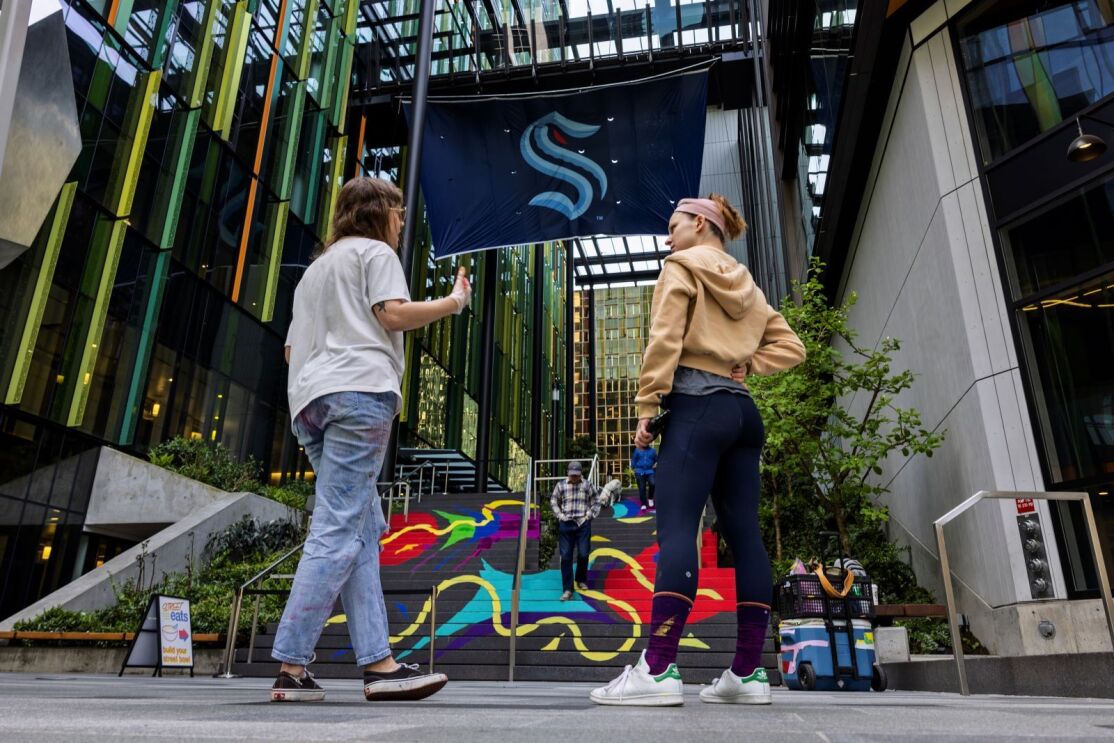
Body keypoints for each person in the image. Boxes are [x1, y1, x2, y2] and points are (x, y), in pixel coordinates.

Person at [590, 194, 805, 707]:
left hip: (696, 408)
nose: (668, 238)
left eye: (673, 226)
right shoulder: (747, 284)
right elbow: (793, 346)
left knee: (678, 529)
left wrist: (646, 404)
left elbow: (664, 337)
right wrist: (749, 365)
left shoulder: (680, 267)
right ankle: (749, 674)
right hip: (742, 414)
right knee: (746, 536)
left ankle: (659, 668)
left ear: (701, 225)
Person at [270, 176, 472, 703]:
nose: (402, 223)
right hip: (360, 394)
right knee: (338, 529)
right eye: (399, 212)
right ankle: (293, 663)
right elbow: (392, 315)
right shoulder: (375, 254)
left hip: (310, 404)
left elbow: (292, 352)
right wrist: (453, 302)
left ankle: (376, 663)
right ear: (378, 212)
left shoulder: (314, 272)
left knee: (360, 528)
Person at [551, 461, 606, 601]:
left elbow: (597, 500)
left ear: (580, 473)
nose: (574, 477)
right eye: (572, 475)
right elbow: (553, 501)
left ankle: (581, 579)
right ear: (568, 473)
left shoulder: (587, 484)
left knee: (583, 553)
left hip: (583, 523)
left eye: (576, 475)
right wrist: (560, 515)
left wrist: (590, 515)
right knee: (566, 556)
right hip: (566, 523)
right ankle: (568, 589)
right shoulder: (561, 485)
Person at [630, 444, 657, 511]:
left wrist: (656, 464)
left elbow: (656, 460)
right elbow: (633, 460)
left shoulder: (653, 451)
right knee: (642, 488)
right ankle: (643, 504)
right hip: (639, 471)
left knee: (652, 483)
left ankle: (650, 498)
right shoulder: (637, 450)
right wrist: (633, 468)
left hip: (650, 470)